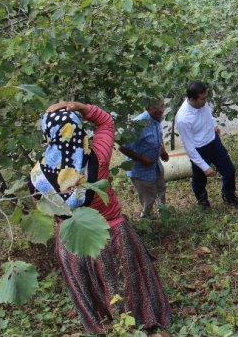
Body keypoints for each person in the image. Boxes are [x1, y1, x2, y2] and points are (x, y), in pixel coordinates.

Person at [30, 101, 170, 333]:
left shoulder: (37, 176)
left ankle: (104, 327)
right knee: (124, 283)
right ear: (78, 128)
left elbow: (45, 209)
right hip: (110, 234)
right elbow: (106, 121)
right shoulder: (98, 158)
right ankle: (138, 324)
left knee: (89, 288)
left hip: (71, 240)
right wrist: (80, 107)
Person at [175, 80, 238, 209]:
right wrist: (204, 166)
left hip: (214, 142)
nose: (205, 101)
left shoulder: (202, 103)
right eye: (202, 99)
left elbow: (208, 114)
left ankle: (229, 196)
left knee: (229, 170)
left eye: (206, 97)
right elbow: (189, 148)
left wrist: (214, 125)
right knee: (199, 179)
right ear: (192, 99)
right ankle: (203, 202)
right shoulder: (183, 119)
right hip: (199, 149)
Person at [119, 97, 169, 219]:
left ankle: (164, 215)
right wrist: (141, 158)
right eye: (157, 107)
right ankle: (146, 220)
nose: (161, 110)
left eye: (163, 106)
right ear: (148, 107)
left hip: (155, 165)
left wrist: (162, 150)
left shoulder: (157, 118)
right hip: (141, 170)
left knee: (161, 189)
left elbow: (158, 136)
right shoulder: (138, 124)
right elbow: (122, 147)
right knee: (149, 198)